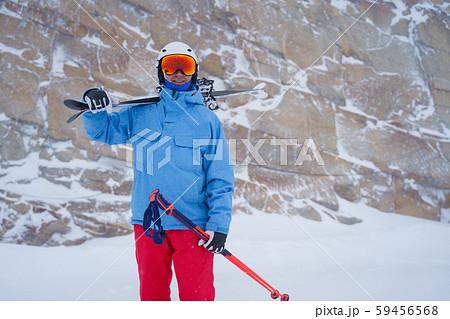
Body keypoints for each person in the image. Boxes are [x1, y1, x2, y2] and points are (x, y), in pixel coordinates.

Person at [81, 41, 234, 301]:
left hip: (194, 226)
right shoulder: (139, 113)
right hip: (148, 223)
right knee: (152, 296)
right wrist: (94, 108)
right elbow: (102, 130)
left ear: (194, 72)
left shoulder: (207, 121)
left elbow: (220, 177)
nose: (177, 73)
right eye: (170, 66)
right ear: (160, 71)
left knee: (197, 298)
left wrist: (219, 225)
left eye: (184, 66)